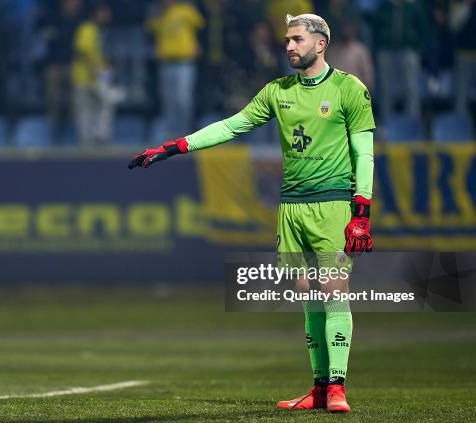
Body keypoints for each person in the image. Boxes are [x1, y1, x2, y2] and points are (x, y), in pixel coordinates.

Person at [129, 13, 375, 414]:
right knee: (307, 296)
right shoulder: (277, 91)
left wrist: (361, 210)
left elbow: (364, 152)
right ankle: (317, 387)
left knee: (334, 294)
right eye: (287, 40)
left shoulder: (350, 89)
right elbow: (231, 127)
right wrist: (174, 147)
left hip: (333, 204)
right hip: (292, 207)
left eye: (297, 39)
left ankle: (338, 388)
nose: (289, 46)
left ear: (320, 43)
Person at [147, 0, 205, 138]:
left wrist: (198, 45)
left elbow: (201, 28)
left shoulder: (186, 10)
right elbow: (150, 32)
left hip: (184, 61)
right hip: (165, 62)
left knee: (183, 99)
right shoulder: (158, 14)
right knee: (168, 101)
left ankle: (185, 131)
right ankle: (171, 133)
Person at [71, 2, 116, 146]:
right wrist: (95, 72)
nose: (107, 16)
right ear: (97, 13)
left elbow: (94, 54)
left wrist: (104, 66)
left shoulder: (96, 30)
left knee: (102, 108)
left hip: (94, 78)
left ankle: (99, 141)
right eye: (105, 12)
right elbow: (82, 52)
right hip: (85, 78)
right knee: (86, 114)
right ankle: (87, 146)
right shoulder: (87, 29)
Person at [39, 0, 82, 126]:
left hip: (74, 65)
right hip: (54, 64)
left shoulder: (82, 20)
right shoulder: (52, 17)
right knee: (52, 94)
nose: (72, 4)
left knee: (76, 96)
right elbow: (40, 29)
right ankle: (53, 123)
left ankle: (73, 124)